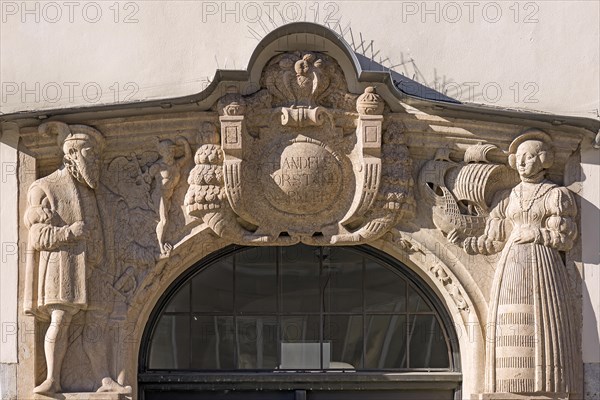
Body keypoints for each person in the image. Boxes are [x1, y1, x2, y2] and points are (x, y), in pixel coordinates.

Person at [449, 129, 578, 393]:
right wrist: (466, 242)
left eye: (528, 157)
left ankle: (543, 385)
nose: (521, 162)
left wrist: (537, 233)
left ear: (542, 161)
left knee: (541, 322)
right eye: (518, 157)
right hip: (511, 263)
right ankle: (509, 382)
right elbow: (493, 241)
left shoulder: (555, 194)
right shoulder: (508, 198)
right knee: (508, 318)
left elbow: (565, 238)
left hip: (542, 263)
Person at [24, 122, 130, 395]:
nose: (95, 160)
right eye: (91, 154)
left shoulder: (94, 191)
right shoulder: (45, 186)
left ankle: (104, 379)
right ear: (73, 153)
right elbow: (36, 236)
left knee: (97, 322)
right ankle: (52, 380)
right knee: (59, 320)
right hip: (65, 264)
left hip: (97, 266)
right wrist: (69, 233)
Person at [146, 137, 191, 255]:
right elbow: (145, 180)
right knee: (164, 220)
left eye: (173, 150)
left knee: (167, 220)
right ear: (163, 152)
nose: (172, 153)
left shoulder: (176, 165)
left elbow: (187, 157)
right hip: (159, 196)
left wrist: (185, 143)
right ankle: (160, 246)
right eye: (169, 150)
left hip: (168, 196)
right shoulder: (158, 167)